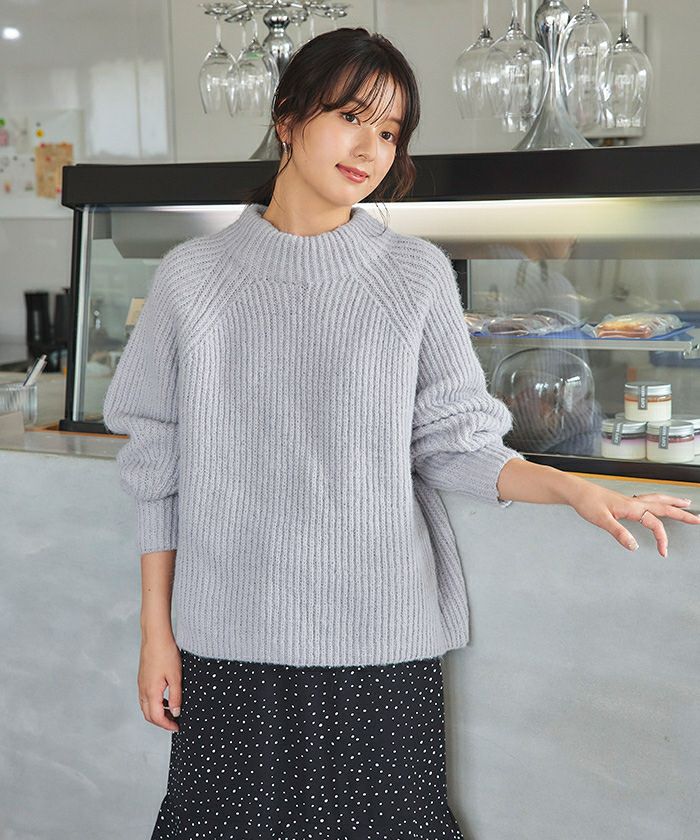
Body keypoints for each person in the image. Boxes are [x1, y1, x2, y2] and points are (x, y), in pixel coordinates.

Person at [102, 27, 700, 840]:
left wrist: (575, 489)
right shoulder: (191, 279)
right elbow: (156, 467)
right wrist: (156, 634)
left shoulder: (413, 274)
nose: (370, 149)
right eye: (351, 117)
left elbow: (454, 442)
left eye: (389, 132)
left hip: (378, 641)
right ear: (287, 117)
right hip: (227, 642)